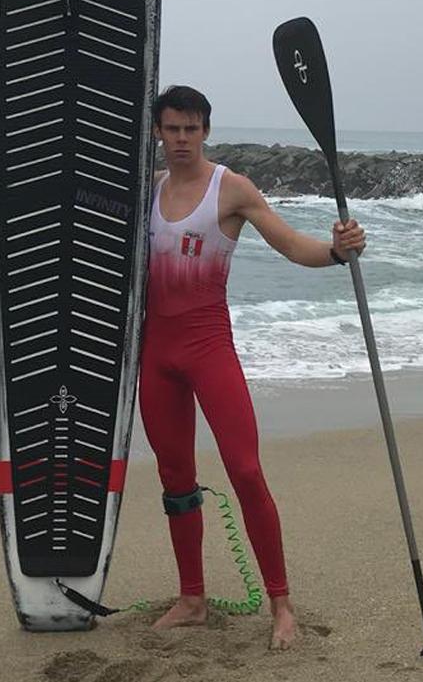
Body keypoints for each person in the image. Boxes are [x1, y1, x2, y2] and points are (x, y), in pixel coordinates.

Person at [140, 85, 366, 650]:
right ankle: (192, 598)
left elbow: (292, 246)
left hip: (209, 349)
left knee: (244, 470)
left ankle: (281, 604)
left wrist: (338, 251)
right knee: (175, 478)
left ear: (206, 131)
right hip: (156, 356)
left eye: (191, 128)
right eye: (172, 128)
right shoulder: (145, 191)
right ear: (158, 132)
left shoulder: (231, 188)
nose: (182, 139)